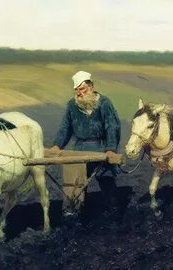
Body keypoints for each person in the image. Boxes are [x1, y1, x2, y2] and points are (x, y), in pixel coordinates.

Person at [51, 70, 121, 217]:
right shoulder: (72, 105)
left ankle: (113, 210)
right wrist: (58, 145)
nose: (79, 93)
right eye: (76, 90)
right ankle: (75, 210)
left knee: (106, 179)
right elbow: (65, 127)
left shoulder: (104, 103)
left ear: (91, 86)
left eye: (82, 89)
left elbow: (112, 126)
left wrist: (110, 148)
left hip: (100, 147)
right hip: (80, 148)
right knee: (76, 183)